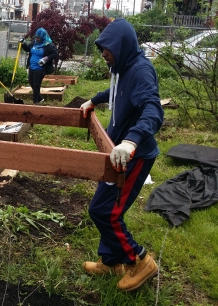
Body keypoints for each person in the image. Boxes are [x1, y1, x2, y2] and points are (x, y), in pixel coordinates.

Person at [80, 19, 164, 291]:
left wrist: (131, 141)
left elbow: (153, 108)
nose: (103, 53)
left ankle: (139, 260)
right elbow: (115, 92)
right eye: (101, 48)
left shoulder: (141, 71)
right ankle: (111, 260)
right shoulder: (122, 67)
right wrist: (95, 99)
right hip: (117, 153)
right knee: (99, 208)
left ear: (122, 46)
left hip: (134, 155)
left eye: (107, 49)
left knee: (108, 213)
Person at [20, 27, 57, 104]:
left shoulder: (48, 44)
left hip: (40, 68)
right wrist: (23, 43)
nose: (37, 39)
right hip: (32, 66)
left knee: (36, 84)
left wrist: (45, 59)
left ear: (43, 37)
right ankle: (39, 98)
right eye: (36, 37)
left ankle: (35, 102)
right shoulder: (34, 42)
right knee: (31, 82)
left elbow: (55, 54)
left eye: (38, 38)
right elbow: (28, 49)